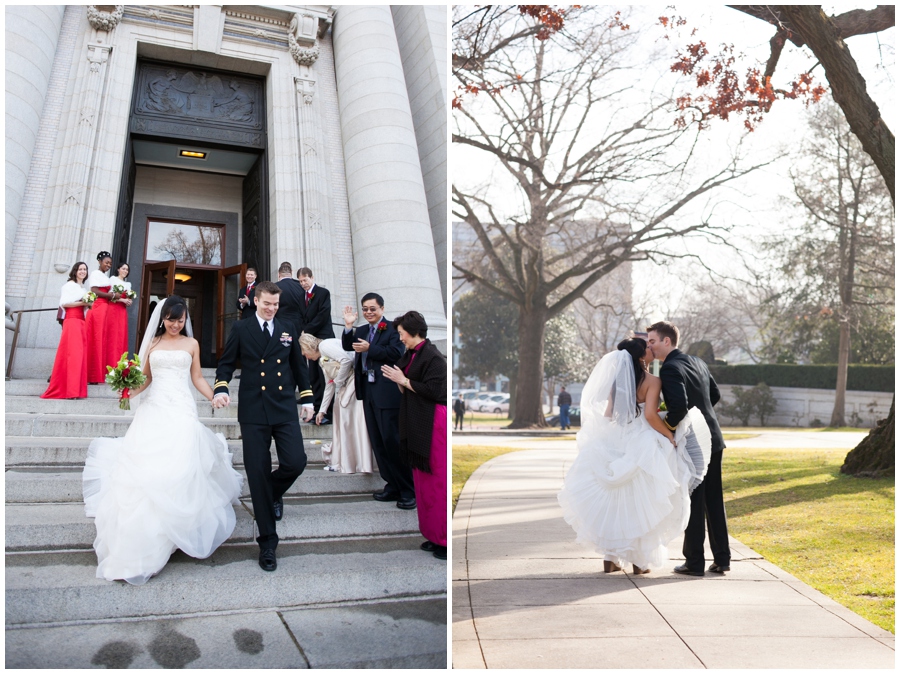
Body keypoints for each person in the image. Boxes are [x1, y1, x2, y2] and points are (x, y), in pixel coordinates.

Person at [82, 296, 243, 585]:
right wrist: (129, 389)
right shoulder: (153, 344)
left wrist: (214, 395)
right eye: (171, 319)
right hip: (154, 409)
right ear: (163, 318)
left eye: (180, 321)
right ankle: (146, 540)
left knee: (178, 468)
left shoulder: (191, 345)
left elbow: (196, 378)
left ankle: (172, 533)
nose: (175, 325)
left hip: (181, 409)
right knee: (146, 471)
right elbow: (146, 378)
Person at [557, 336, 711, 574]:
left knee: (617, 500)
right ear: (641, 357)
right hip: (643, 439)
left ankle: (610, 558)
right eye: (647, 348)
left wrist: (608, 440)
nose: (651, 349)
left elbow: (609, 414)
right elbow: (650, 415)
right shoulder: (652, 381)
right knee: (643, 502)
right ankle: (639, 562)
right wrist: (668, 436)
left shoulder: (616, 382)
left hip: (618, 437)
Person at [213, 281, 315, 572]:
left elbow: (298, 365)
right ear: (256, 301)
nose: (271, 309)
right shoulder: (242, 328)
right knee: (257, 472)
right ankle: (268, 543)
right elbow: (226, 362)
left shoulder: (287, 328)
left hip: (283, 406)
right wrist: (221, 388)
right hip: (254, 409)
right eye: (267, 303)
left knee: (296, 462)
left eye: (276, 304)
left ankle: (270, 492)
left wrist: (307, 399)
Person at [647, 320, 728, 577]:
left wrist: (669, 429)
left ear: (666, 341)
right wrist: (702, 415)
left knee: (692, 500)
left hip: (694, 443)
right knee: (714, 499)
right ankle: (722, 559)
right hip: (714, 437)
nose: (649, 346)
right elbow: (714, 395)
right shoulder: (698, 362)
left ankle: (694, 562)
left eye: (652, 341)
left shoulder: (669, 368)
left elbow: (679, 408)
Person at [381, 311, 447, 560]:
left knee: (437, 482)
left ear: (413, 331)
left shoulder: (434, 357)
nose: (400, 338)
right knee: (423, 483)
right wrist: (400, 380)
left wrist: (404, 381)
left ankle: (444, 539)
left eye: (401, 334)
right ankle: (432, 534)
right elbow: (406, 381)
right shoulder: (410, 354)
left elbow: (435, 390)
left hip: (432, 423)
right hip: (417, 421)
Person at [342, 293, 414, 509]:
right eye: (365, 309)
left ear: (382, 308)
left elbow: (396, 353)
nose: (368, 312)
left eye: (372, 308)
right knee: (379, 442)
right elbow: (347, 345)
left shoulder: (393, 329)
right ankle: (391, 484)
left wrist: (370, 349)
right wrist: (348, 327)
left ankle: (408, 489)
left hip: (387, 393)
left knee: (393, 441)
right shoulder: (362, 330)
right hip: (368, 391)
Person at [299, 333, 373, 474]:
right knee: (341, 416)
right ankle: (346, 460)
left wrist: (339, 381)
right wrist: (322, 410)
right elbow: (329, 384)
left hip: (352, 382)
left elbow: (346, 361)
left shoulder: (325, 346)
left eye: (304, 351)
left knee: (345, 416)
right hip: (346, 384)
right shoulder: (322, 358)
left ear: (308, 346)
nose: (305, 355)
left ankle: (352, 461)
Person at [42, 262, 90, 399]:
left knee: (79, 356)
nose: (83, 271)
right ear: (75, 271)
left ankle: (76, 390)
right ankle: (69, 391)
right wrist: (84, 303)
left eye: (85, 269)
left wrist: (89, 305)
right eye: (80, 269)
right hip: (72, 321)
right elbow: (65, 303)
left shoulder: (83, 289)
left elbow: (84, 306)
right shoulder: (69, 286)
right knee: (72, 355)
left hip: (81, 322)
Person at [297, 267, 335, 418]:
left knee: (324, 375)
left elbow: (323, 315)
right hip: (310, 343)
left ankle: (328, 413)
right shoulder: (301, 297)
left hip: (323, 338)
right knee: (313, 376)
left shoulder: (323, 293)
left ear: (312, 278)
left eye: (305, 280)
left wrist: (306, 330)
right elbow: (300, 316)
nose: (303, 284)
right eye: (300, 281)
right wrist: (302, 332)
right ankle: (317, 409)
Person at [85, 251, 121, 384]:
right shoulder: (95, 274)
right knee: (95, 338)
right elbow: (94, 290)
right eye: (106, 262)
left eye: (110, 263)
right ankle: (90, 374)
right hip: (98, 307)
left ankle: (95, 375)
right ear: (99, 262)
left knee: (101, 339)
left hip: (105, 309)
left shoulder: (104, 276)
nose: (108, 265)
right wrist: (112, 295)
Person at [106, 262, 134, 369]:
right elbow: (109, 296)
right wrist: (122, 299)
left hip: (122, 311)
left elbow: (128, 299)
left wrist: (129, 301)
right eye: (123, 268)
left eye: (127, 270)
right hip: (113, 309)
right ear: (118, 269)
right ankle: (109, 365)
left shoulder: (128, 285)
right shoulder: (113, 279)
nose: (125, 271)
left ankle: (119, 365)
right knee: (112, 335)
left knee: (121, 336)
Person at [274, 261, 304, 336]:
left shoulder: (274, 287)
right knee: (298, 346)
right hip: (298, 324)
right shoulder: (300, 286)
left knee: (285, 345)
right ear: (291, 272)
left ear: (279, 274)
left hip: (281, 323)